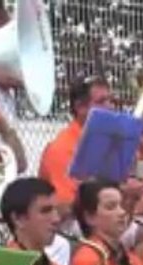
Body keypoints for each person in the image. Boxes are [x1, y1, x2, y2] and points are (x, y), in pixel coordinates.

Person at [39, 76, 113, 210]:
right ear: (80, 107)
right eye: (101, 102)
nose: (110, 107)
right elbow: (65, 207)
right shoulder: (62, 148)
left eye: (110, 100)